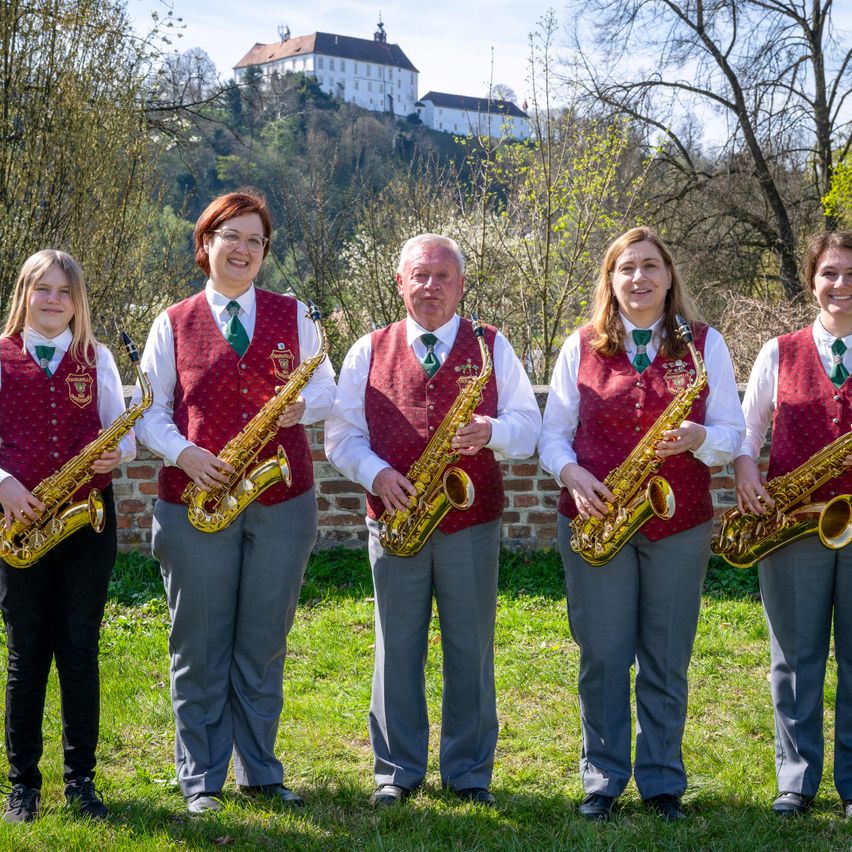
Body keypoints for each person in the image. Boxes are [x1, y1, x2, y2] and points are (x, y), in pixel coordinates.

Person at [134, 189, 336, 815]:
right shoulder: (171, 322)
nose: (244, 249)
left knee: (263, 639)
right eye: (232, 236)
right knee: (198, 641)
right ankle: (200, 777)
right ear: (206, 245)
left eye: (255, 240)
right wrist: (186, 455)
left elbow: (329, 391)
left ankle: (260, 770)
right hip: (195, 498)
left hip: (281, 495)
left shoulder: (296, 315)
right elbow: (148, 413)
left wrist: (306, 406)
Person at [325, 233, 540, 808]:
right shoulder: (366, 349)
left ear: (462, 284)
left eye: (443, 276)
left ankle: (468, 774)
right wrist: (377, 476)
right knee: (396, 646)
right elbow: (341, 436)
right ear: (400, 282)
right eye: (419, 276)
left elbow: (530, 424)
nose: (430, 287)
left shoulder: (493, 345)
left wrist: (492, 431)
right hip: (394, 518)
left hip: (470, 521)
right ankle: (396, 771)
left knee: (470, 646)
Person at [538, 226, 744, 822]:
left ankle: (661, 782)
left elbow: (732, 436)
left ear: (670, 275)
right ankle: (601, 779)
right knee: (602, 653)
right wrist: (573, 476)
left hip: (678, 523)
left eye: (651, 266)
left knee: (666, 653)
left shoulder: (707, 344)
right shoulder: (580, 344)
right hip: (596, 517)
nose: (639, 278)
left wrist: (701, 437)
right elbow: (552, 435)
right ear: (610, 279)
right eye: (626, 268)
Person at [0, 250, 134, 823]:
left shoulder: (97, 357)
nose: (53, 299)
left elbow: (124, 439)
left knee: (80, 650)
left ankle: (82, 781)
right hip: (20, 521)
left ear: (78, 301)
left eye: (64, 291)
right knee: (26, 654)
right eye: (42, 289)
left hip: (87, 519)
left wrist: (113, 453)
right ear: (24, 294)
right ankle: (22, 783)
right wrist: (3, 485)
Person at [733, 231, 852, 818]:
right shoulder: (778, 351)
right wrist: (746, 473)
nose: (841, 286)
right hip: (791, 525)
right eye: (830, 273)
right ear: (811, 281)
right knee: (795, 657)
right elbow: (747, 430)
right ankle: (797, 780)